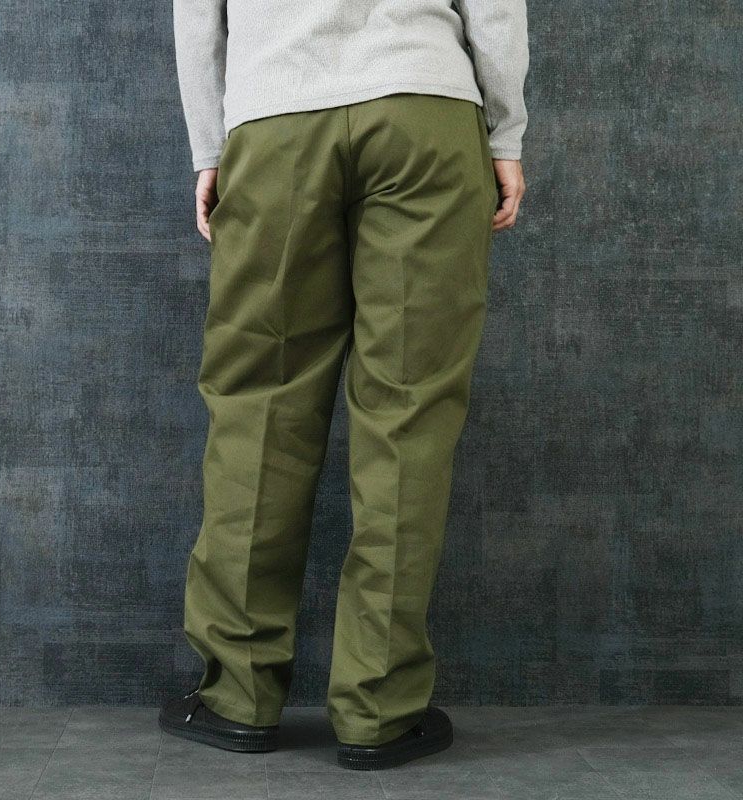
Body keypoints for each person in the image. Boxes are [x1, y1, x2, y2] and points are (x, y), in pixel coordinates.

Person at [159, 0, 528, 771]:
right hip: (425, 114)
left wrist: (210, 147)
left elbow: (198, 13)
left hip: (274, 121)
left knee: (258, 408)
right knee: (409, 413)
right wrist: (505, 132)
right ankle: (379, 710)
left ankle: (237, 697)